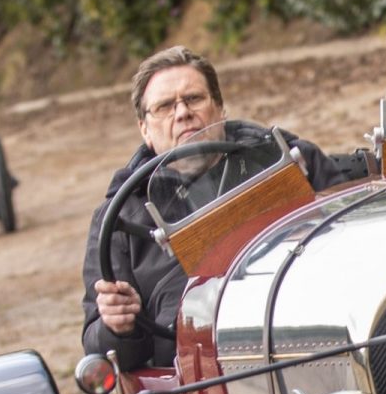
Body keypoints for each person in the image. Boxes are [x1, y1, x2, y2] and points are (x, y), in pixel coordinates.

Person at [81, 46, 364, 369]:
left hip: (314, 343)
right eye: (164, 107)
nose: (182, 113)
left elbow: (350, 245)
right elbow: (99, 347)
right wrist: (117, 326)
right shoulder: (118, 219)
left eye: (194, 99)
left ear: (220, 108)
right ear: (144, 129)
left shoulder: (290, 160)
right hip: (194, 378)